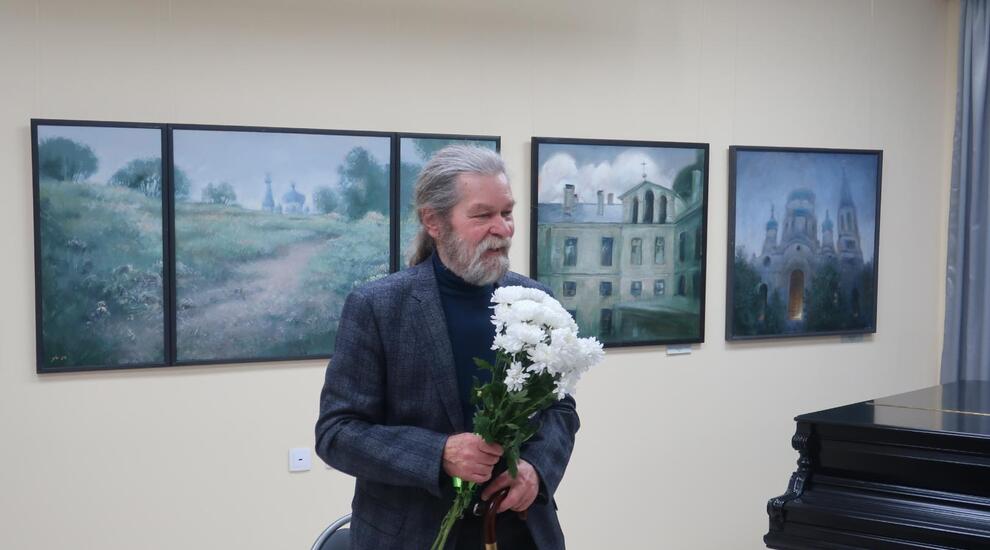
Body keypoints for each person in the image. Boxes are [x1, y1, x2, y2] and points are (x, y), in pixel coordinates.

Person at [315, 145, 579, 549]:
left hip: (521, 532)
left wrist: (536, 469)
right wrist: (439, 453)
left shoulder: (535, 301)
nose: (503, 228)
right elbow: (337, 433)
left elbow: (559, 408)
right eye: (482, 215)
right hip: (412, 537)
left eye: (507, 212)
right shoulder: (378, 307)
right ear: (433, 221)